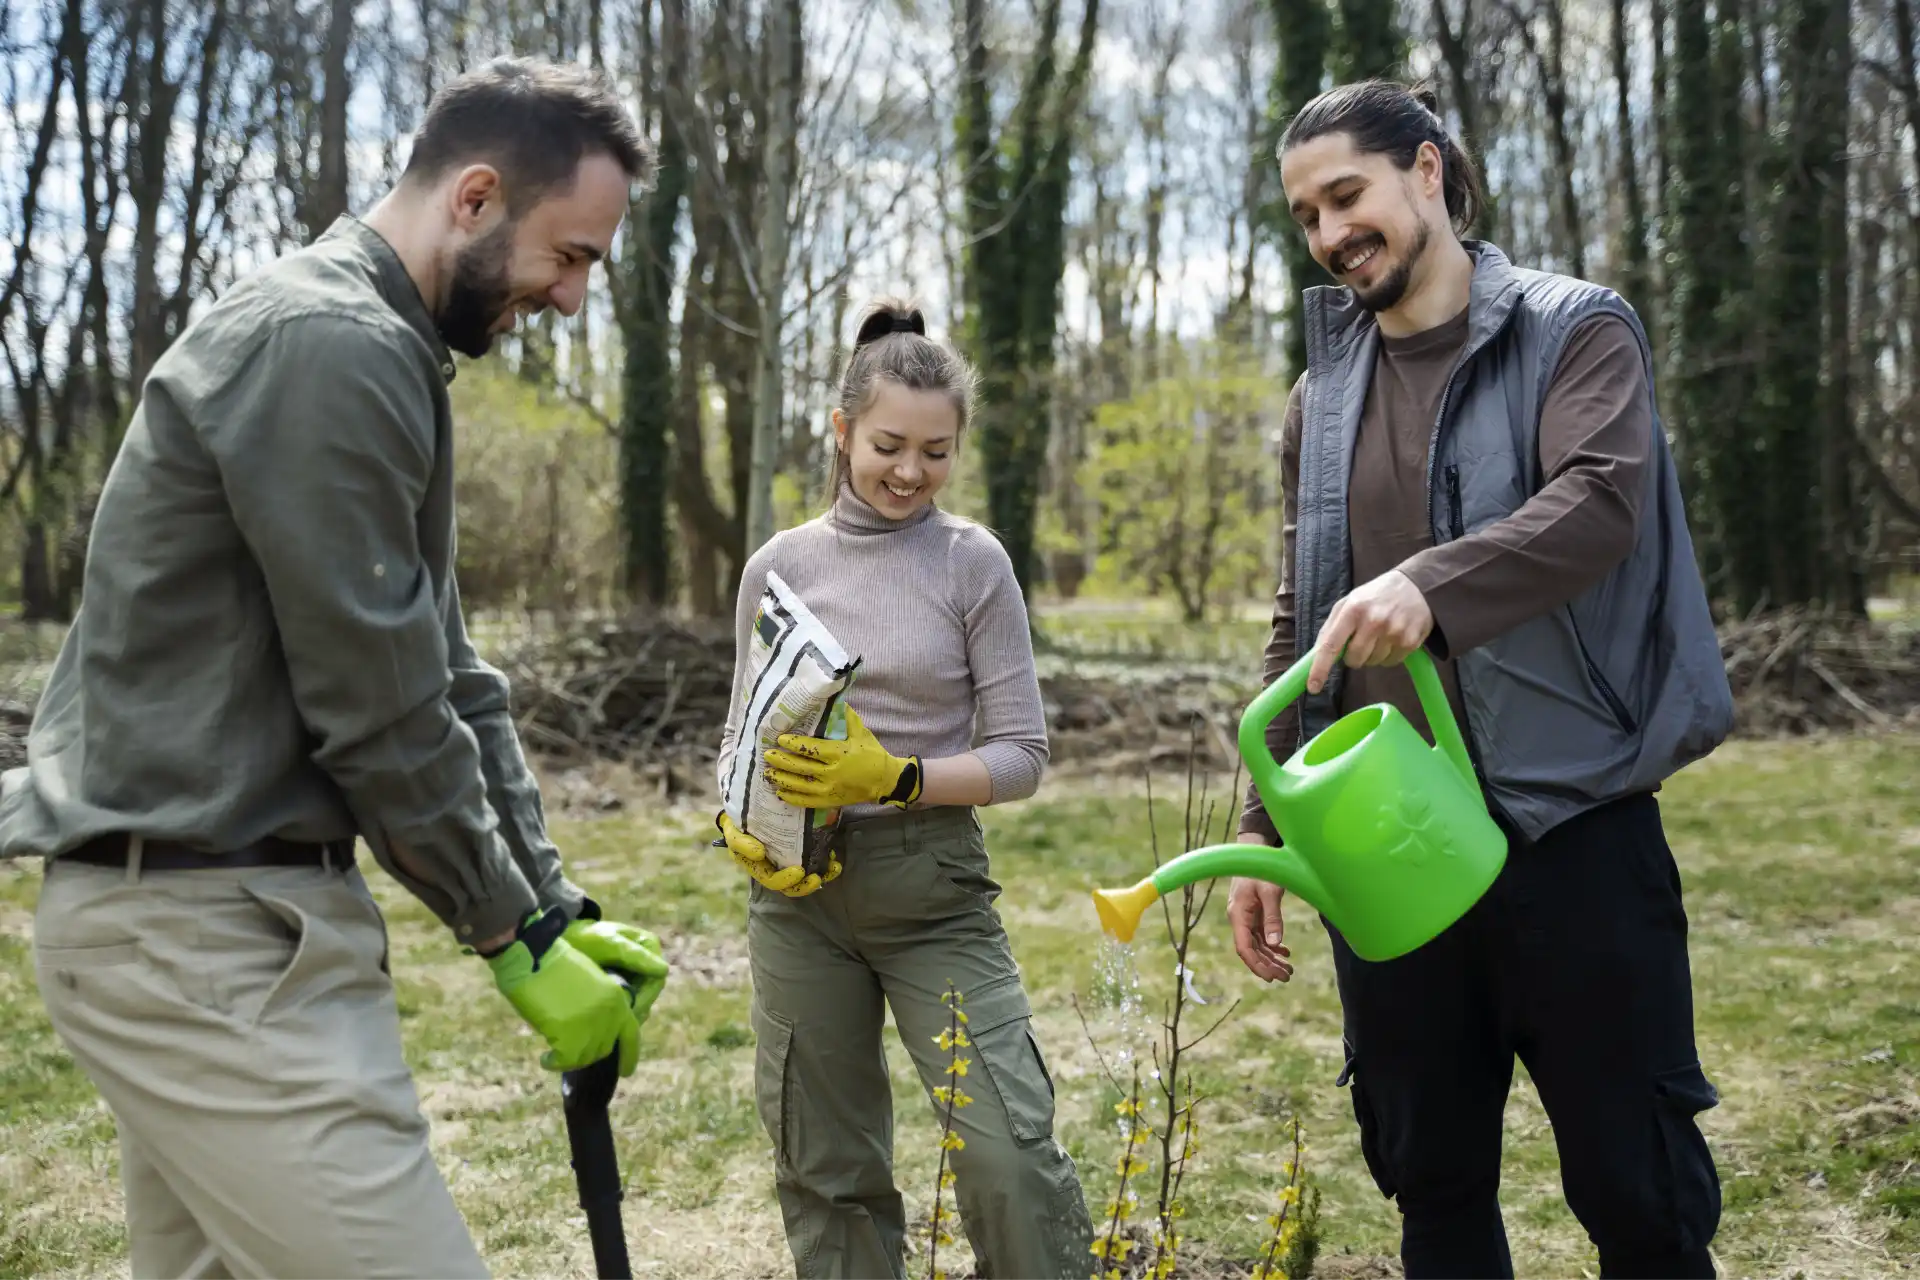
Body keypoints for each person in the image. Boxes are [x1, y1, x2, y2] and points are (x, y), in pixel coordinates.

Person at [1, 57, 671, 1280]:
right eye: (570, 256)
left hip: (232, 931)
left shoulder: (382, 351)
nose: (574, 298)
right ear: (475, 198)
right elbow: (380, 706)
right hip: (202, 943)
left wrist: (556, 900)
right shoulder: (329, 345)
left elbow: (451, 674)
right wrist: (513, 935)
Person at [1226, 79, 1735, 1278]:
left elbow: (1600, 502)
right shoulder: (1324, 394)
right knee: (1434, 1183)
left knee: (1641, 1192)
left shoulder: (1579, 330)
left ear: (1430, 172)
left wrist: (1431, 586)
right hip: (1391, 849)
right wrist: (1264, 826)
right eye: (1306, 214)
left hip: (1574, 829)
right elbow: (1305, 611)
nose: (1331, 232)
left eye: (1348, 194)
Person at [713, 298, 1095, 1280]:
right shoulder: (777, 567)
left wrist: (900, 776)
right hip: (798, 901)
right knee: (825, 1168)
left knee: (1010, 1151)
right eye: (888, 444)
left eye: (935, 451)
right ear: (842, 431)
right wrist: (742, 824)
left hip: (934, 891)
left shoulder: (972, 563)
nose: (909, 472)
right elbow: (741, 737)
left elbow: (1022, 753)